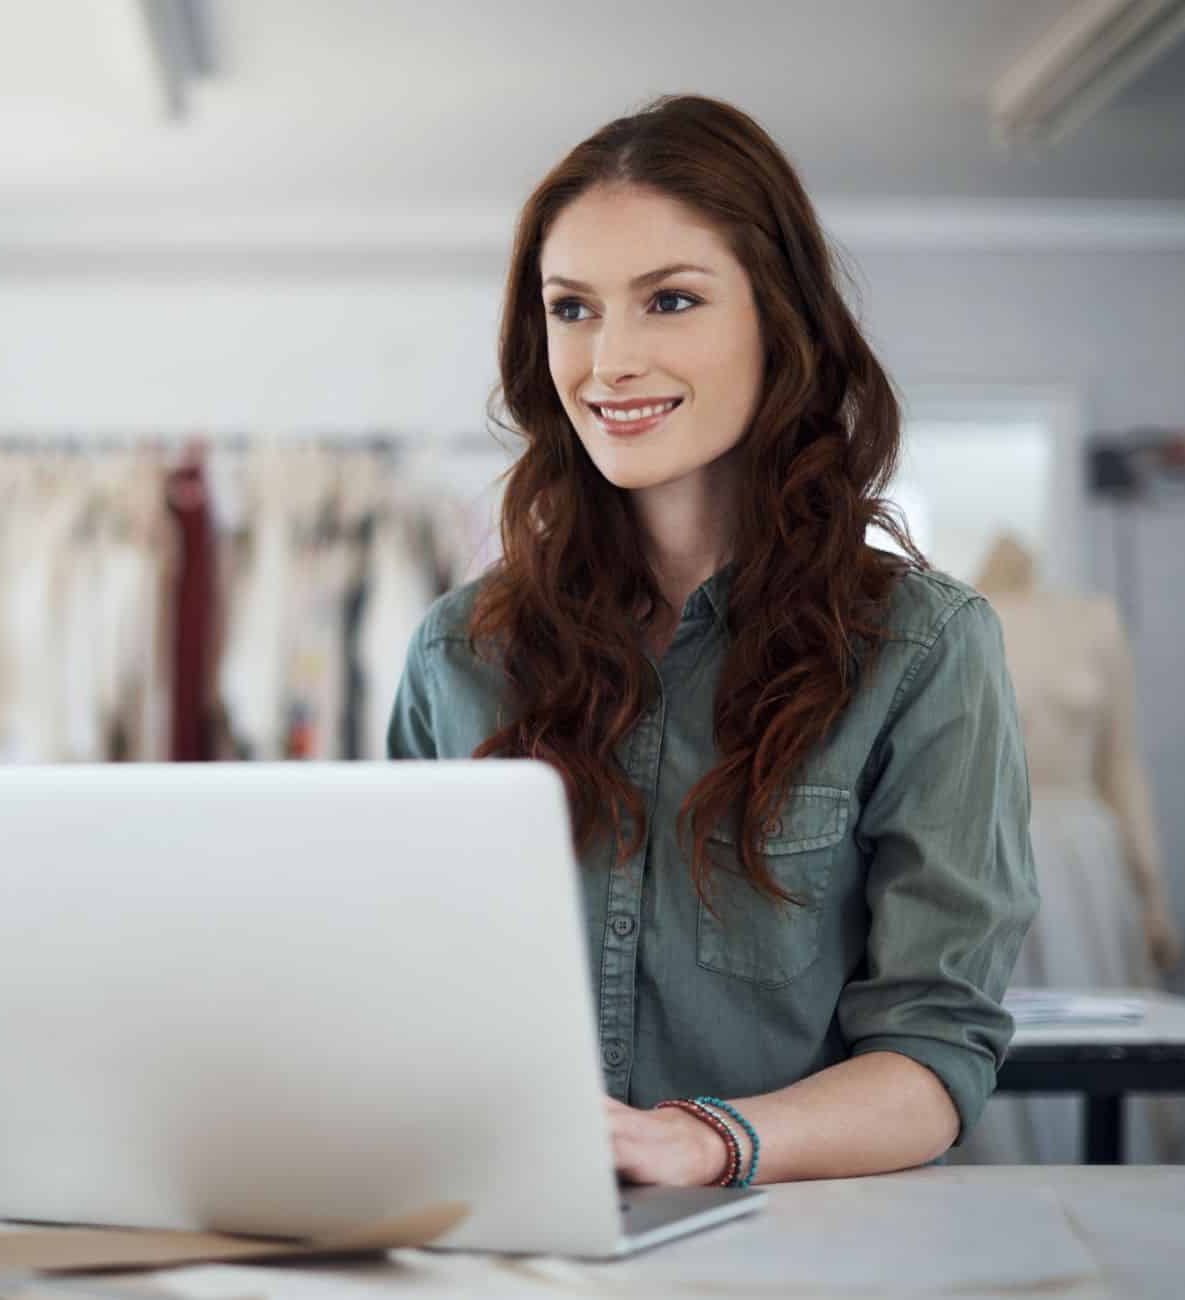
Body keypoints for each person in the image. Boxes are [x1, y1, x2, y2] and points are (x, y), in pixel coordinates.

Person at [386, 95, 1038, 1188]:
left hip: (798, 1251)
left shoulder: (921, 652)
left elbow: (931, 1056)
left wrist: (699, 1140)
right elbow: (398, 989)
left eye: (669, 300)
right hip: (505, 1237)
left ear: (775, 321)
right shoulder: (458, 652)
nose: (608, 361)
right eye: (572, 309)